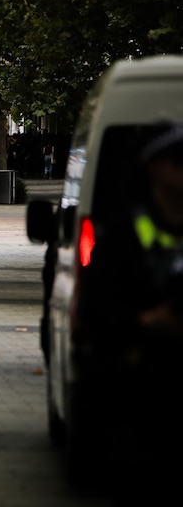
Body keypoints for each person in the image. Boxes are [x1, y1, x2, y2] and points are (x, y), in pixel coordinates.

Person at [77, 123, 183, 494]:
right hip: (138, 392)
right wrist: (145, 322)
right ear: (153, 167)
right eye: (177, 161)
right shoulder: (122, 234)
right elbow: (95, 309)